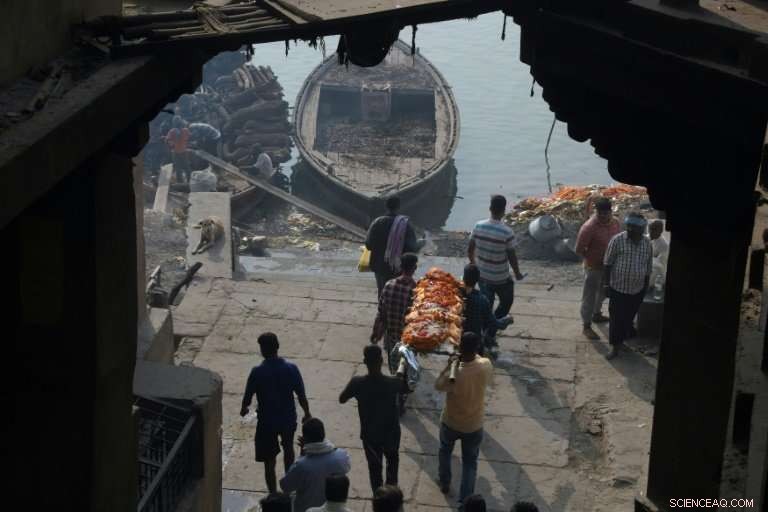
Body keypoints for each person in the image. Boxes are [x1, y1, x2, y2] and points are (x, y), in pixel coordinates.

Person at [240, 333, 312, 493]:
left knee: (269, 460)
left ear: (262, 350)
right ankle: (288, 485)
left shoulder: (257, 372)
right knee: (288, 449)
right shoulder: (291, 369)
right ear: (277, 347)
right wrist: (307, 413)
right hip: (287, 418)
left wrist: (244, 408)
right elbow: (301, 394)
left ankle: (273, 493)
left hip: (267, 422)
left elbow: (248, 396)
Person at [339, 345, 410, 494]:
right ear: (381, 360)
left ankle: (378, 498)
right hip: (391, 433)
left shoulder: (357, 383)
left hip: (370, 435)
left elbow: (342, 399)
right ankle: (391, 496)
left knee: (375, 469)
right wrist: (403, 372)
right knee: (392, 464)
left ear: (365, 361)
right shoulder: (393, 383)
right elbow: (407, 388)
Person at [435, 333, 494, 503]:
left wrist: (449, 366)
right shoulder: (485, 365)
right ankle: (465, 499)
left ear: (460, 348)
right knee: (470, 463)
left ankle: (445, 482)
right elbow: (486, 371)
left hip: (451, 422)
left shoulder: (455, 373)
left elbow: (438, 385)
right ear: (476, 348)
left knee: (445, 451)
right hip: (473, 425)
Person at [468, 195, 524, 341]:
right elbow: (512, 256)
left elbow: (470, 249)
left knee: (487, 304)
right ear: (503, 211)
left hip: (482, 275)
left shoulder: (478, 226)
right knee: (506, 302)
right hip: (500, 278)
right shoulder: (507, 232)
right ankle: (491, 330)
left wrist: (474, 264)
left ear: (490, 208)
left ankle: (487, 328)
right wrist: (517, 273)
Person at [603, 212, 653, 359]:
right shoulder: (617, 240)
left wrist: (645, 286)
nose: (630, 229)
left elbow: (648, 267)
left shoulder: (647, 243)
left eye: (634, 227)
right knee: (616, 318)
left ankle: (621, 341)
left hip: (637, 289)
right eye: (629, 225)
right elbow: (607, 263)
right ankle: (614, 347)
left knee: (628, 318)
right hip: (618, 288)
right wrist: (606, 285)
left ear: (642, 228)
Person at [574, 196, 621, 340]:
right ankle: (586, 326)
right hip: (593, 267)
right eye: (600, 213)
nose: (603, 216)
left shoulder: (616, 223)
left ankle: (597, 314)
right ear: (596, 212)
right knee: (589, 296)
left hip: (609, 267)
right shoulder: (589, 227)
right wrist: (592, 259)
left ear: (610, 212)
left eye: (606, 213)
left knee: (602, 293)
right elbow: (579, 249)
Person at [280, 418, 351, 512]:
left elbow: (285, 486)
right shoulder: (342, 456)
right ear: (323, 434)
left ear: (305, 438)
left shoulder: (302, 465)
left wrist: (302, 455)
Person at [371, 253, 418, 375]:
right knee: (407, 366)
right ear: (415, 268)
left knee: (394, 366)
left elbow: (381, 313)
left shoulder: (388, 285)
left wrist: (376, 332)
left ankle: (395, 383)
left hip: (391, 337)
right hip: (408, 339)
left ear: (401, 267)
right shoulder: (416, 291)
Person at [366, 196, 420, 296]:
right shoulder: (405, 224)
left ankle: (382, 310)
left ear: (386, 206)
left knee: (382, 291)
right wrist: (421, 243)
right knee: (396, 293)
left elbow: (368, 245)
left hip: (379, 266)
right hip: (397, 267)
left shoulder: (377, 222)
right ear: (399, 206)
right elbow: (412, 248)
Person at [461, 263, 512, 356]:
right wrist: (507, 320)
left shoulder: (456, 293)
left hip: (458, 338)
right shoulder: (482, 300)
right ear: (477, 279)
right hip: (474, 343)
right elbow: (495, 323)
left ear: (463, 278)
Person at [164, 115, 192, 183]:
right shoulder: (185, 130)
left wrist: (168, 141)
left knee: (178, 168)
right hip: (184, 151)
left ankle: (180, 183)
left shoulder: (172, 131)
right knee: (187, 167)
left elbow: (167, 141)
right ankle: (189, 181)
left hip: (175, 152)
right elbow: (189, 137)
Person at [648, 219, 669, 290]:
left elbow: (661, 265)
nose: (651, 232)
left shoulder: (664, 245)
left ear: (660, 231)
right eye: (650, 229)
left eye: (654, 230)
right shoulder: (646, 238)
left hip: (654, 276)